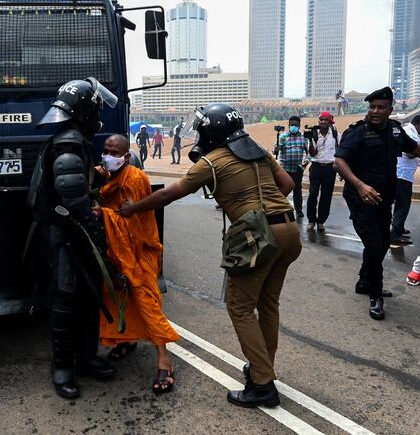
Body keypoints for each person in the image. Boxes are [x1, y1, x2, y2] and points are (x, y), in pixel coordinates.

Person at [120, 103, 301, 409]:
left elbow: (169, 194)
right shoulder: (258, 150)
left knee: (240, 308)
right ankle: (262, 368)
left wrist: (133, 208)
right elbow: (287, 184)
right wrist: (264, 211)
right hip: (288, 230)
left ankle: (263, 385)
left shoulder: (212, 161)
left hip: (258, 238)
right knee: (268, 305)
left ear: (211, 131)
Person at [27, 78, 118, 399]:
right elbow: (74, 201)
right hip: (67, 234)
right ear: (84, 110)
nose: (97, 115)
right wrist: (99, 239)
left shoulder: (74, 140)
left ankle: (87, 358)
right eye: (94, 108)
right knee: (66, 301)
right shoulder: (67, 144)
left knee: (91, 296)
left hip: (74, 232)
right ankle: (63, 366)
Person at [334, 87, 420, 320]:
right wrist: (360, 186)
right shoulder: (358, 132)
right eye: (372, 107)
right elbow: (339, 161)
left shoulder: (396, 130)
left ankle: (363, 281)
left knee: (384, 240)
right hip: (360, 197)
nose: (375, 111)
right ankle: (375, 294)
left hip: (383, 197)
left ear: (391, 109)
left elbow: (414, 149)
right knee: (375, 245)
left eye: (381, 107)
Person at [93, 134, 180, 395]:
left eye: (115, 152)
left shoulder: (134, 178)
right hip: (118, 252)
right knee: (117, 295)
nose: (109, 156)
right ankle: (128, 338)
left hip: (140, 250)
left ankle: (164, 360)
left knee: (146, 300)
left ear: (127, 156)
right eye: (106, 151)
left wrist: (102, 213)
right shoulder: (108, 175)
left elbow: (131, 223)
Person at [390, 115, 420, 246]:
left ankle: (399, 227)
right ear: (417, 124)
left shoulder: (410, 131)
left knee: (401, 204)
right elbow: (411, 153)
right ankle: (395, 235)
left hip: (403, 173)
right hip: (402, 174)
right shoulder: (409, 132)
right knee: (403, 205)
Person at [274, 116, 315, 219]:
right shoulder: (283, 137)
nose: (294, 127)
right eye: (292, 125)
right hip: (284, 168)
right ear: (288, 125)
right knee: (283, 189)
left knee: (297, 190)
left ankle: (299, 210)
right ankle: (279, 209)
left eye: (296, 125)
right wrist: (277, 144)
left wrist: (306, 161)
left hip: (298, 169)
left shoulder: (304, 138)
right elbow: (276, 151)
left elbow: (309, 153)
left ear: (299, 126)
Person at [305, 112, 338, 231]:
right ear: (318, 121)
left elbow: (339, 151)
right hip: (316, 167)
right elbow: (313, 153)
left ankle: (321, 221)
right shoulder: (314, 134)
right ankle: (311, 220)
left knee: (326, 195)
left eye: (326, 120)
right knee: (313, 193)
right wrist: (310, 140)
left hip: (330, 168)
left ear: (330, 122)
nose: (323, 122)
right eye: (321, 120)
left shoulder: (335, 135)